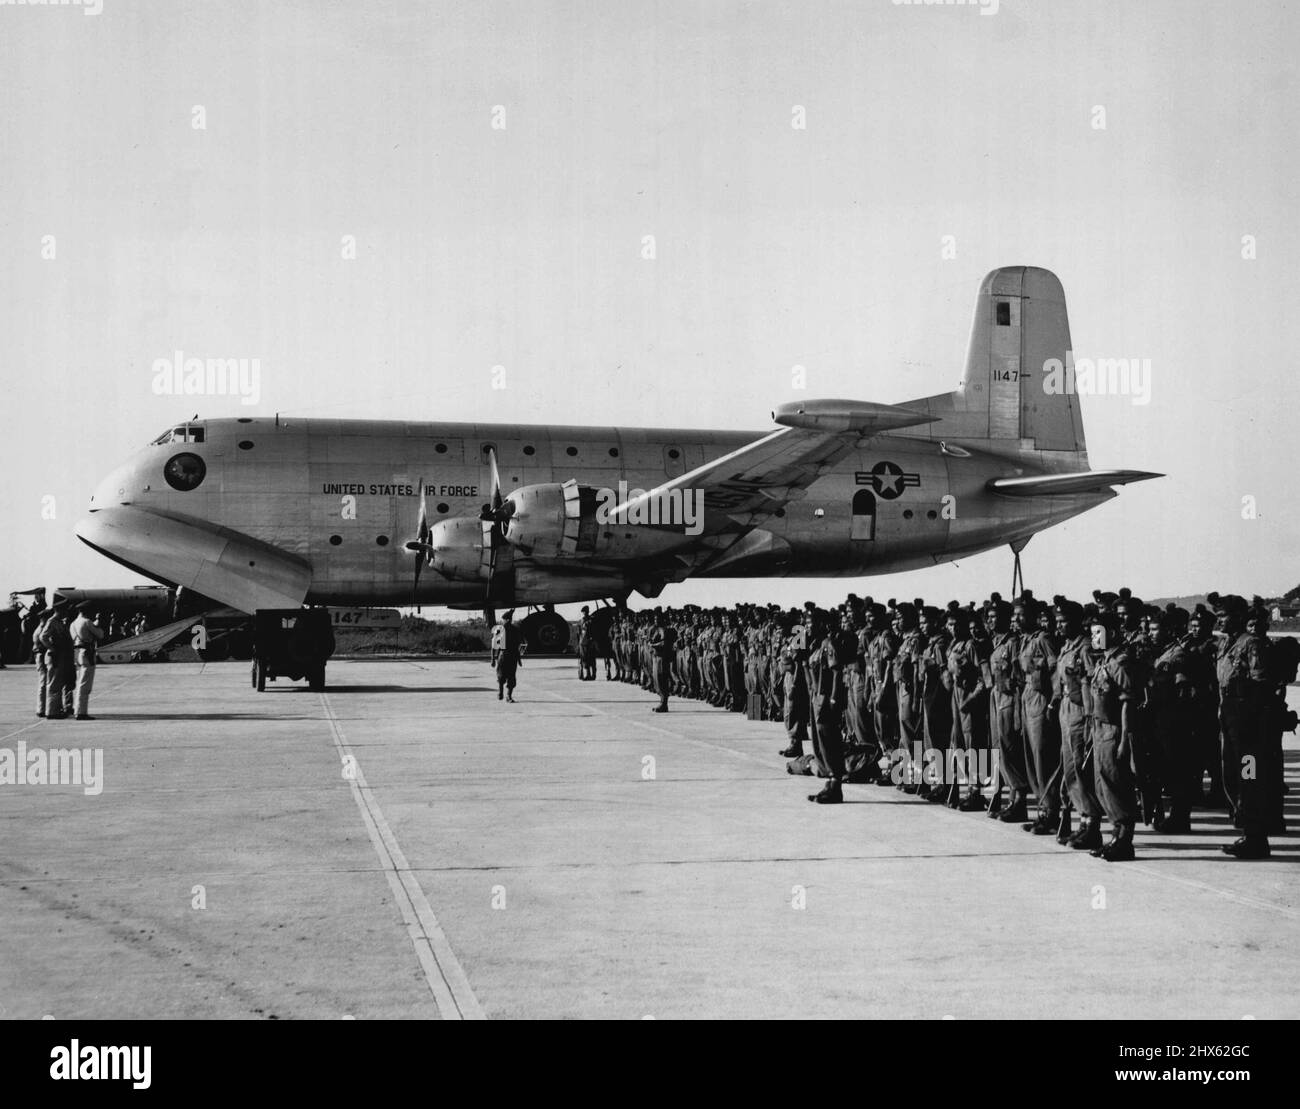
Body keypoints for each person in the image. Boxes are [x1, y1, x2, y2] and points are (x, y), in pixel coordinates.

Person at [69, 603, 106, 720]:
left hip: (77, 652)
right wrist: (98, 623)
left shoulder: (73, 623)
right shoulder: (87, 622)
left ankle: (77, 708)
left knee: (80, 681)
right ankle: (81, 712)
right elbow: (100, 635)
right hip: (87, 653)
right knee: (85, 684)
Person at [492, 612, 525, 702]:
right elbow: (517, 645)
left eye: (504, 620)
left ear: (506, 620)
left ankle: (504, 694)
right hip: (510, 656)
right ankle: (506, 695)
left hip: (504, 656)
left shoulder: (501, 629)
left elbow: (494, 646)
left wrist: (493, 659)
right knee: (509, 676)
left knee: (503, 676)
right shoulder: (514, 630)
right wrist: (519, 659)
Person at [648, 610, 676, 712]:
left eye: (657, 619)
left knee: (662, 680)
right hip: (656, 657)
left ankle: (664, 703)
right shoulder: (656, 629)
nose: (655, 621)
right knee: (657, 681)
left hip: (661, 658)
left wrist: (652, 645)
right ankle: (661, 702)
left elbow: (663, 643)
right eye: (655, 619)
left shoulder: (663, 630)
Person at [576, 606, 597, 681]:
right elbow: (579, 633)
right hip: (582, 643)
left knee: (591, 659)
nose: (585, 613)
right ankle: (588, 674)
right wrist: (578, 644)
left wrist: (592, 640)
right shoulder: (581, 621)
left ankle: (593, 675)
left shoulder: (591, 620)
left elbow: (594, 631)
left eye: (586, 611)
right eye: (584, 612)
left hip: (590, 642)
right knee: (585, 659)